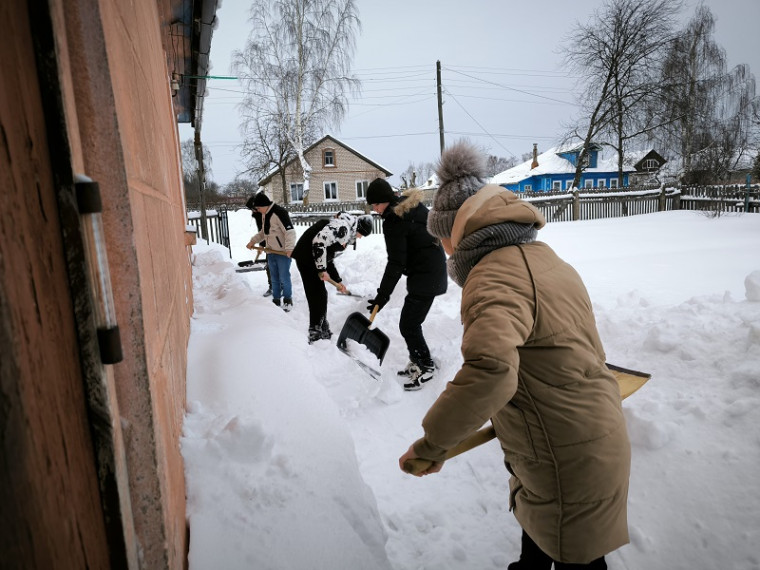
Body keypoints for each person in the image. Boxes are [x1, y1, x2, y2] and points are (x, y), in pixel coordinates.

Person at [397, 140, 630, 569]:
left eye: (441, 239)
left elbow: (491, 371)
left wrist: (434, 444)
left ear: (458, 231)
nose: (444, 251)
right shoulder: (547, 260)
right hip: (584, 433)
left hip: (565, 450)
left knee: (577, 556)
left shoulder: (493, 279)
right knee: (546, 535)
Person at [365, 178, 447, 391]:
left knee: (408, 324)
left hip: (425, 275)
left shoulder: (396, 220)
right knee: (410, 322)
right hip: (430, 272)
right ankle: (418, 361)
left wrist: (383, 296)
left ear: (385, 200)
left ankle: (426, 366)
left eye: (376, 204)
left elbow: (395, 263)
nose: (374, 209)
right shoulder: (409, 208)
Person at [291, 212, 373, 343]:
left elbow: (328, 256)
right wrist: (321, 269)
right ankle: (315, 330)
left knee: (319, 294)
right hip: (307, 258)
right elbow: (319, 242)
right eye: (361, 234)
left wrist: (338, 280)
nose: (360, 238)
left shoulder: (344, 228)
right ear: (359, 229)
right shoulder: (343, 228)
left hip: (310, 258)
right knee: (317, 294)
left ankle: (322, 326)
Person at [246, 192, 296, 310]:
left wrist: (289, 248)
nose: (257, 211)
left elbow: (290, 232)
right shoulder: (265, 214)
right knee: (274, 278)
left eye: (258, 208)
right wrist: (253, 241)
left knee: (284, 277)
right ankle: (276, 299)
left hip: (282, 253)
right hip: (271, 252)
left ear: (263, 205)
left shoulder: (279, 213)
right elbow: (264, 232)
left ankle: (288, 299)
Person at [245, 195, 272, 297]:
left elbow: (268, 231)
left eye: (252, 209)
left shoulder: (267, 214)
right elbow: (261, 230)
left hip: (275, 244)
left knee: (273, 266)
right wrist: (261, 244)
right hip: (267, 242)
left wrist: (262, 245)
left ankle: (277, 287)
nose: (252, 211)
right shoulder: (258, 215)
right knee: (270, 266)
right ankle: (273, 287)